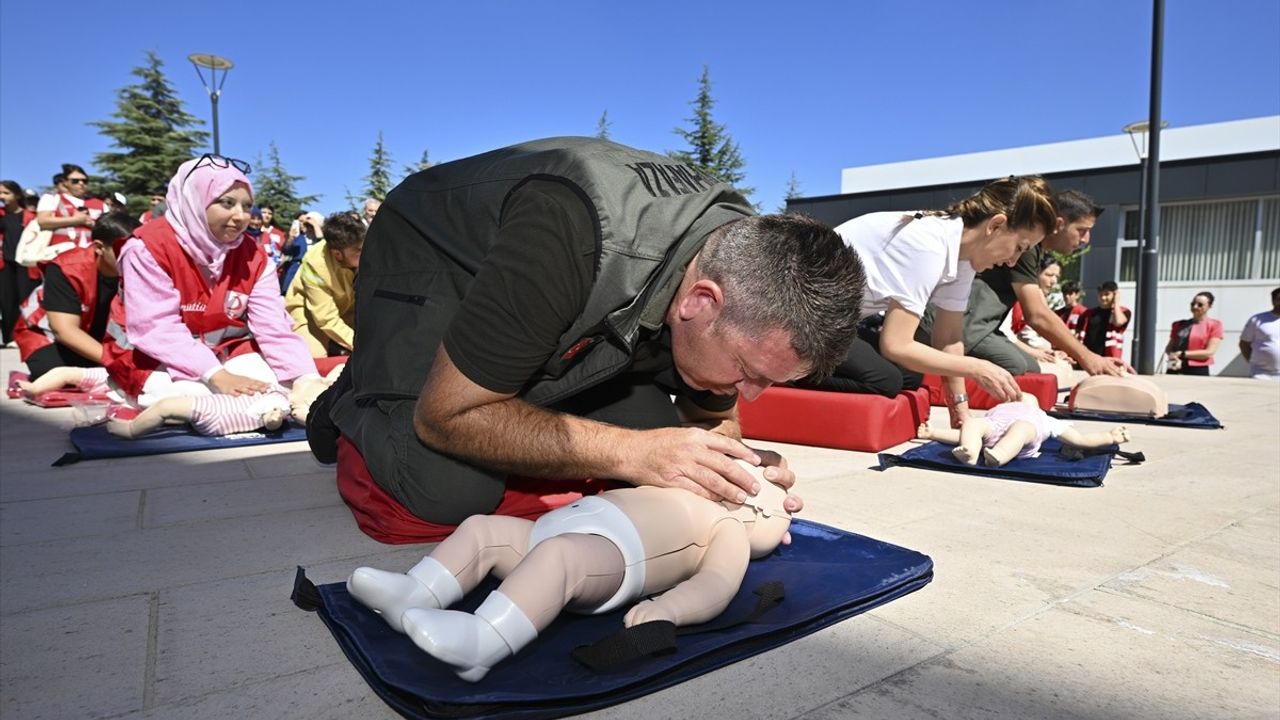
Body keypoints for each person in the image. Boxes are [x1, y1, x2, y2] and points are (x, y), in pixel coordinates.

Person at [308, 137, 865, 526]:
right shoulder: (565, 234)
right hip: (435, 261)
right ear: (702, 300)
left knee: (655, 455)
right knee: (447, 488)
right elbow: (447, 416)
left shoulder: (739, 266)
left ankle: (518, 380)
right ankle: (351, 397)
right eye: (748, 372)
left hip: (563, 298)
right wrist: (632, 452)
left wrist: (728, 466)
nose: (750, 395)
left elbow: (711, 414)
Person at [346, 463, 790, 682]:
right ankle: (417, 591)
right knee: (483, 530)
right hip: (565, 524)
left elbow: (717, 585)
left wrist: (668, 610)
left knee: (559, 560)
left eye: (760, 496)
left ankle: (485, 641)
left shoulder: (727, 527)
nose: (745, 485)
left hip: (613, 557)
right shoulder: (682, 484)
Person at [812, 176, 1055, 427]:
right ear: (995, 225)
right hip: (804, 320)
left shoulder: (963, 256)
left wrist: (960, 414)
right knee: (884, 380)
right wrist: (977, 367)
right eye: (1019, 247)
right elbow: (896, 345)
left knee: (910, 376)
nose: (1014, 261)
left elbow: (948, 338)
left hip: (837, 324)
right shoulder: (927, 244)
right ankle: (787, 372)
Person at [99, 155, 328, 420]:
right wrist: (216, 375)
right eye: (226, 203)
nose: (240, 216)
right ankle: (112, 383)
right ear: (195, 200)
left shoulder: (254, 255)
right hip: (147, 357)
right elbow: (156, 328)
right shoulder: (147, 247)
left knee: (283, 387)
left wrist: (305, 378)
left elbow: (273, 326)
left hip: (222, 354)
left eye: (247, 206)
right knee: (193, 398)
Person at [921, 189, 1129, 378]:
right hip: (962, 326)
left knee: (1029, 363)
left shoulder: (1032, 249)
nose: (1086, 239)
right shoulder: (1025, 246)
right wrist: (1089, 358)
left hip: (978, 326)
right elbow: (1037, 314)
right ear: (1059, 224)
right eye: (1082, 230)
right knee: (1019, 367)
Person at [12, 212, 136, 380]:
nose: (133, 258)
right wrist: (116, 361)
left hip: (97, 336)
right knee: (52, 371)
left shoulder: (139, 269)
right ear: (99, 247)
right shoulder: (67, 267)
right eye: (123, 252)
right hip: (48, 336)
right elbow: (64, 330)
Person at [917, 393, 1131, 467]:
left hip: (1026, 435)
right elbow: (963, 432)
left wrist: (1109, 437)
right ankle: (970, 453)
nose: (1018, 398)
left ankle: (1000, 455)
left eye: (1023, 398)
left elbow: (1079, 439)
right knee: (972, 424)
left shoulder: (1043, 419)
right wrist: (934, 433)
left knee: (1020, 428)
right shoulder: (997, 412)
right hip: (994, 430)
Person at [283, 211, 363, 357]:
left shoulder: (365, 250)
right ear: (338, 254)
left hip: (347, 310)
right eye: (358, 251)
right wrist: (362, 346)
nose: (365, 253)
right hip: (310, 312)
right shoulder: (315, 264)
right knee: (315, 356)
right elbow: (325, 318)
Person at [1, 180, 39, 346]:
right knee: (7, 300)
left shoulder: (29, 217)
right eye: (0, 193)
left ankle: (25, 334)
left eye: (6, 193)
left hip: (24, 264)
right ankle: (9, 337)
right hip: (5, 263)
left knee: (24, 298)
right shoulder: (1, 215)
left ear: (16, 195)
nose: (2, 196)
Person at [35, 164, 95, 252]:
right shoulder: (51, 198)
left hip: (92, 255)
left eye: (84, 181)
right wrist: (76, 220)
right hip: (60, 255)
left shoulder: (99, 203)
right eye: (75, 181)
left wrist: (93, 224)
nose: (81, 183)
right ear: (65, 182)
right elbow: (43, 221)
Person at [1164, 291, 1223, 375]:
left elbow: (1209, 352)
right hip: (1175, 364)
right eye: (1192, 304)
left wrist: (1182, 354)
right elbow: (1169, 347)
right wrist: (1173, 355)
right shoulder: (1179, 324)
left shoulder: (1215, 325)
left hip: (1197, 368)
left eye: (1200, 305)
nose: (1195, 307)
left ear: (1209, 306)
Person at [1075, 281, 1130, 359]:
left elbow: (1118, 322)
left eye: (1107, 294)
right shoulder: (1087, 314)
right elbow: (1077, 335)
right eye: (1101, 294)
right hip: (1087, 359)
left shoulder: (1123, 312)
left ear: (1115, 295)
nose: (1103, 298)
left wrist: (1116, 302)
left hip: (1109, 359)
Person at [1239, 287, 1280, 379]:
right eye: (1279, 299)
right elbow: (1244, 344)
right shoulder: (1257, 319)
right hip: (1260, 374)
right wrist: (1253, 362)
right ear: (1273, 301)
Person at [278, 211, 322, 293]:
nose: (304, 224)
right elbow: (286, 251)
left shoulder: (318, 238)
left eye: (305, 221)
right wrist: (291, 238)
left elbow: (322, 243)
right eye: (301, 221)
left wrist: (315, 225)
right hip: (294, 274)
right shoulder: (297, 238)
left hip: (313, 277)